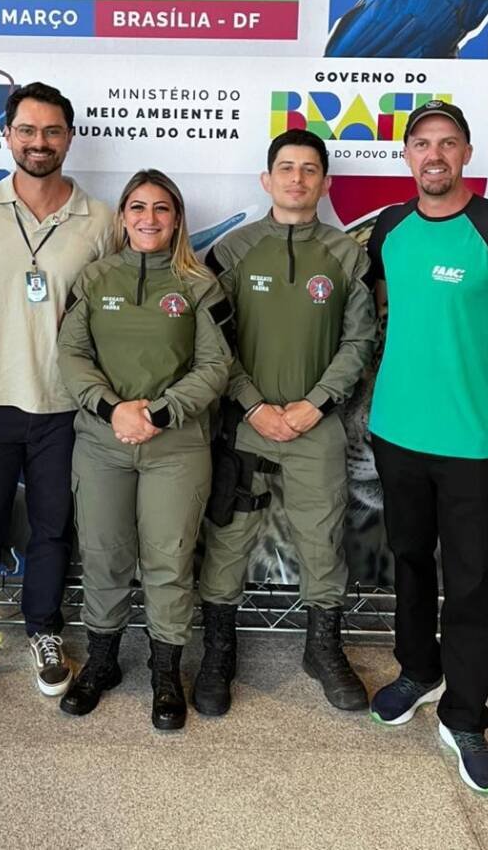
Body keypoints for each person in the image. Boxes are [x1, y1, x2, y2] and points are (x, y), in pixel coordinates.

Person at [366, 100, 488, 795]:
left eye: (447, 143)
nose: (434, 155)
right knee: (410, 561)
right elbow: (390, 309)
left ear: (466, 154)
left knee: (473, 581)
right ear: (407, 155)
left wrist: (474, 383)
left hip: (468, 444)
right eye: (422, 143)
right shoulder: (388, 228)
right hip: (395, 434)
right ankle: (418, 671)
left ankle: (465, 717)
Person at [0, 82, 114, 726]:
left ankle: (44, 631)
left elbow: (114, 304)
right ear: (8, 135)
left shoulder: (100, 219)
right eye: (28, 131)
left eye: (52, 131)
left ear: (69, 138)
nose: (40, 143)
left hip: (64, 405)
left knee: (51, 529)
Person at [194, 129, 376, 716]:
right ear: (266, 179)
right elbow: (213, 341)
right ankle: (219, 650)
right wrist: (252, 404)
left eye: (309, 169)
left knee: (322, 540)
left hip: (315, 424)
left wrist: (314, 404)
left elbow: (358, 341)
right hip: (245, 424)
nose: (297, 179)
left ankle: (323, 651)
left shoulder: (347, 255)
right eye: (286, 168)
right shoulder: (234, 251)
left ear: (325, 183)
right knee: (228, 540)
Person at [56, 169, 232, 730]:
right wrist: (114, 409)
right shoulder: (95, 278)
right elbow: (71, 355)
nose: (148, 218)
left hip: (176, 447)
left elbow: (216, 365)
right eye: (138, 207)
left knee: (169, 558)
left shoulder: (200, 285)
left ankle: (165, 672)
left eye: (161, 208)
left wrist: (157, 412)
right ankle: (102, 661)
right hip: (102, 443)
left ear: (176, 219)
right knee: (103, 553)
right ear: (123, 217)